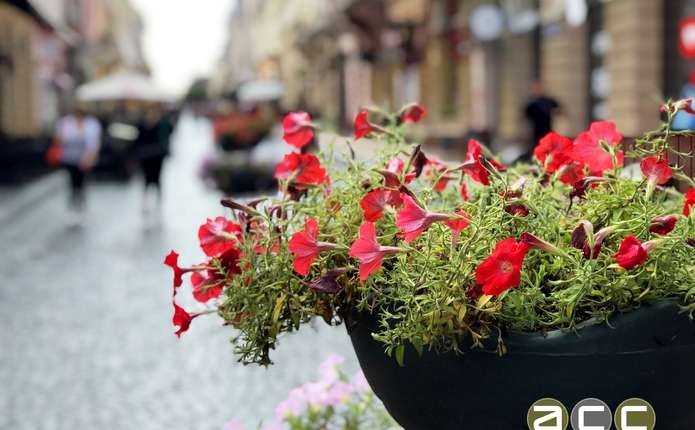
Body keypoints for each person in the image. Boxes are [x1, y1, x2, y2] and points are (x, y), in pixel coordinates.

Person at [53, 105, 102, 217]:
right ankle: (73, 202)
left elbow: (94, 143)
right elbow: (58, 139)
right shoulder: (66, 123)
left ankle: (80, 202)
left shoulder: (91, 124)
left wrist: (91, 157)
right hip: (70, 157)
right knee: (72, 180)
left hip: (84, 157)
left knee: (81, 179)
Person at [135, 106, 173, 212]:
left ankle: (158, 200)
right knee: (146, 179)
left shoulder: (161, 125)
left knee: (157, 178)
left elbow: (169, 132)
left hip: (157, 157)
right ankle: (146, 200)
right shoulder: (142, 126)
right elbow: (138, 140)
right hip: (146, 157)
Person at [524, 80, 561, 157]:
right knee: (536, 146)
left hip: (547, 128)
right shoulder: (532, 102)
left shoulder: (549, 101)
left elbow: (559, 110)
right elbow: (525, 115)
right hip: (536, 130)